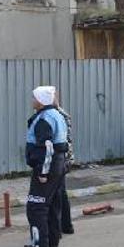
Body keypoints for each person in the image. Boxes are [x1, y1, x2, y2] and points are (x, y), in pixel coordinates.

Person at [24, 86, 69, 247]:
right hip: (57, 166)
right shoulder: (56, 114)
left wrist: (42, 173)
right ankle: (52, 240)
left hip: (47, 169)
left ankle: (39, 245)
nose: (32, 101)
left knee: (36, 206)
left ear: (41, 101)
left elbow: (47, 148)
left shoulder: (44, 119)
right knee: (50, 204)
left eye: (34, 98)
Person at [55, 92, 75, 235]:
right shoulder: (62, 113)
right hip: (66, 158)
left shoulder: (56, 115)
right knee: (61, 192)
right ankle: (66, 225)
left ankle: (63, 226)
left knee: (58, 192)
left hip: (61, 159)